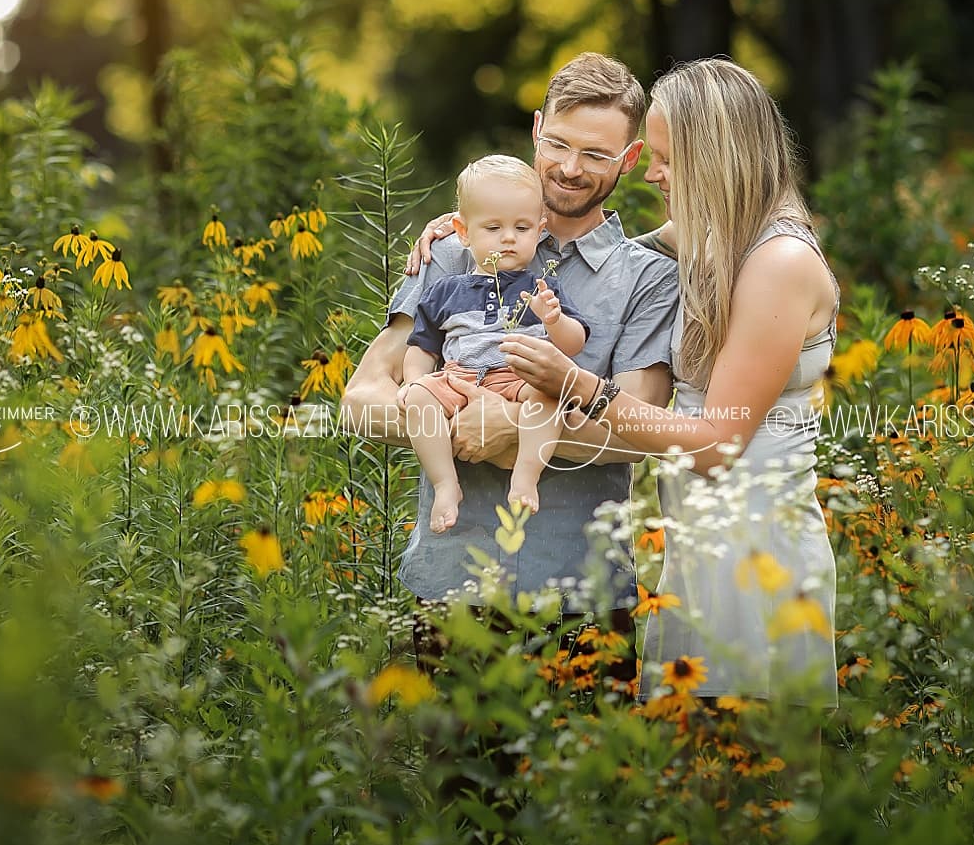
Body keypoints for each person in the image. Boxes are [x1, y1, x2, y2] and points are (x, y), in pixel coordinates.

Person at [495, 56, 842, 712]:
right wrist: (474, 236)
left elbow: (716, 443)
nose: (652, 174)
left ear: (716, 158)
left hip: (756, 556)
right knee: (696, 781)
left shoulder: (778, 262)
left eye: (666, 159)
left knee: (760, 779)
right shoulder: (716, 235)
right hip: (702, 547)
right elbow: (599, 250)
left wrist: (582, 386)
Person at [339, 51, 681, 643]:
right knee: (455, 740)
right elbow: (361, 399)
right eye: (558, 143)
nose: (570, 168)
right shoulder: (450, 251)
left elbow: (638, 429)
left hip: (583, 589)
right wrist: (463, 420)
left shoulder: (647, 278)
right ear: (535, 132)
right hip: (452, 580)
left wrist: (513, 426)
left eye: (596, 154)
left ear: (629, 158)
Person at [398, 154, 590, 529]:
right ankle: (445, 484)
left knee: (549, 399)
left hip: (517, 377)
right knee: (419, 398)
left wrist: (555, 320)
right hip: (458, 377)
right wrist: (414, 381)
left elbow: (575, 343)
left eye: (521, 228)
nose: (508, 238)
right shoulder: (445, 290)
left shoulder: (542, 287)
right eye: (493, 228)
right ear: (463, 231)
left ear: (540, 229)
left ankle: (525, 475)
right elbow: (422, 346)